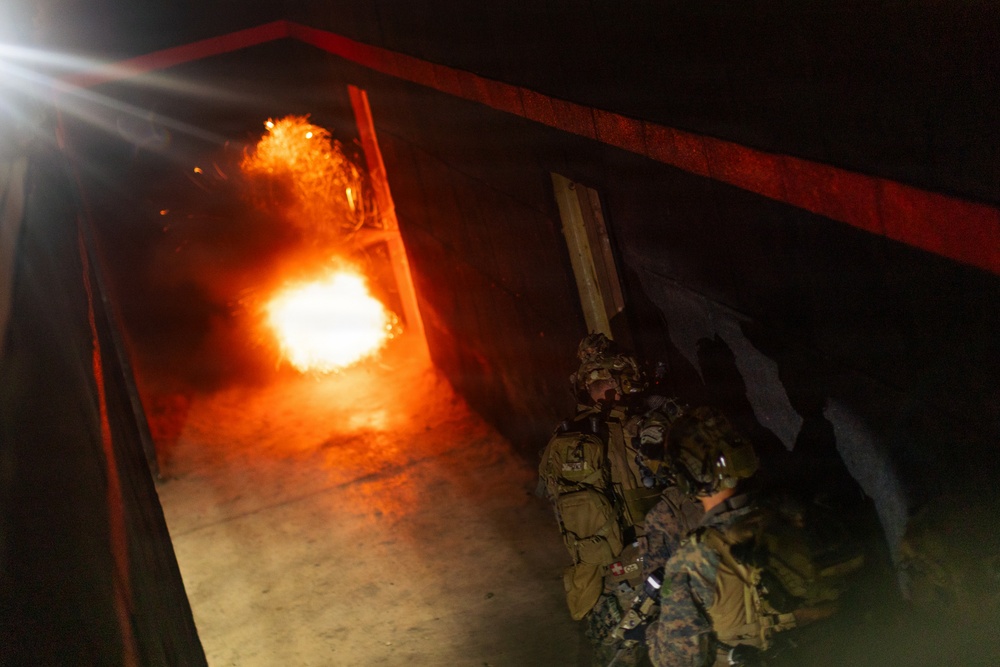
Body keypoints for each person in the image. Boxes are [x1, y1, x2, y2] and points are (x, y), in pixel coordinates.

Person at [646, 407, 847, 667]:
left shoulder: (692, 561)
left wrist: (650, 635)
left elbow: (679, 660)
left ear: (685, 478)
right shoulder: (794, 512)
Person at [540, 333, 688, 667]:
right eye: (604, 383)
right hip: (628, 569)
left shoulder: (584, 436)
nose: (614, 391)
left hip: (636, 565)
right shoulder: (594, 436)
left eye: (616, 382)